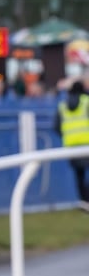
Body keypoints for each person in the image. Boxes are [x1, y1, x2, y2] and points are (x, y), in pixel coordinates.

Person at [55, 80, 89, 213]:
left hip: (71, 146)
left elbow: (56, 126)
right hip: (87, 144)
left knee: (79, 176)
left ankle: (84, 202)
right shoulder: (86, 102)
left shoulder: (63, 105)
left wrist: (68, 136)